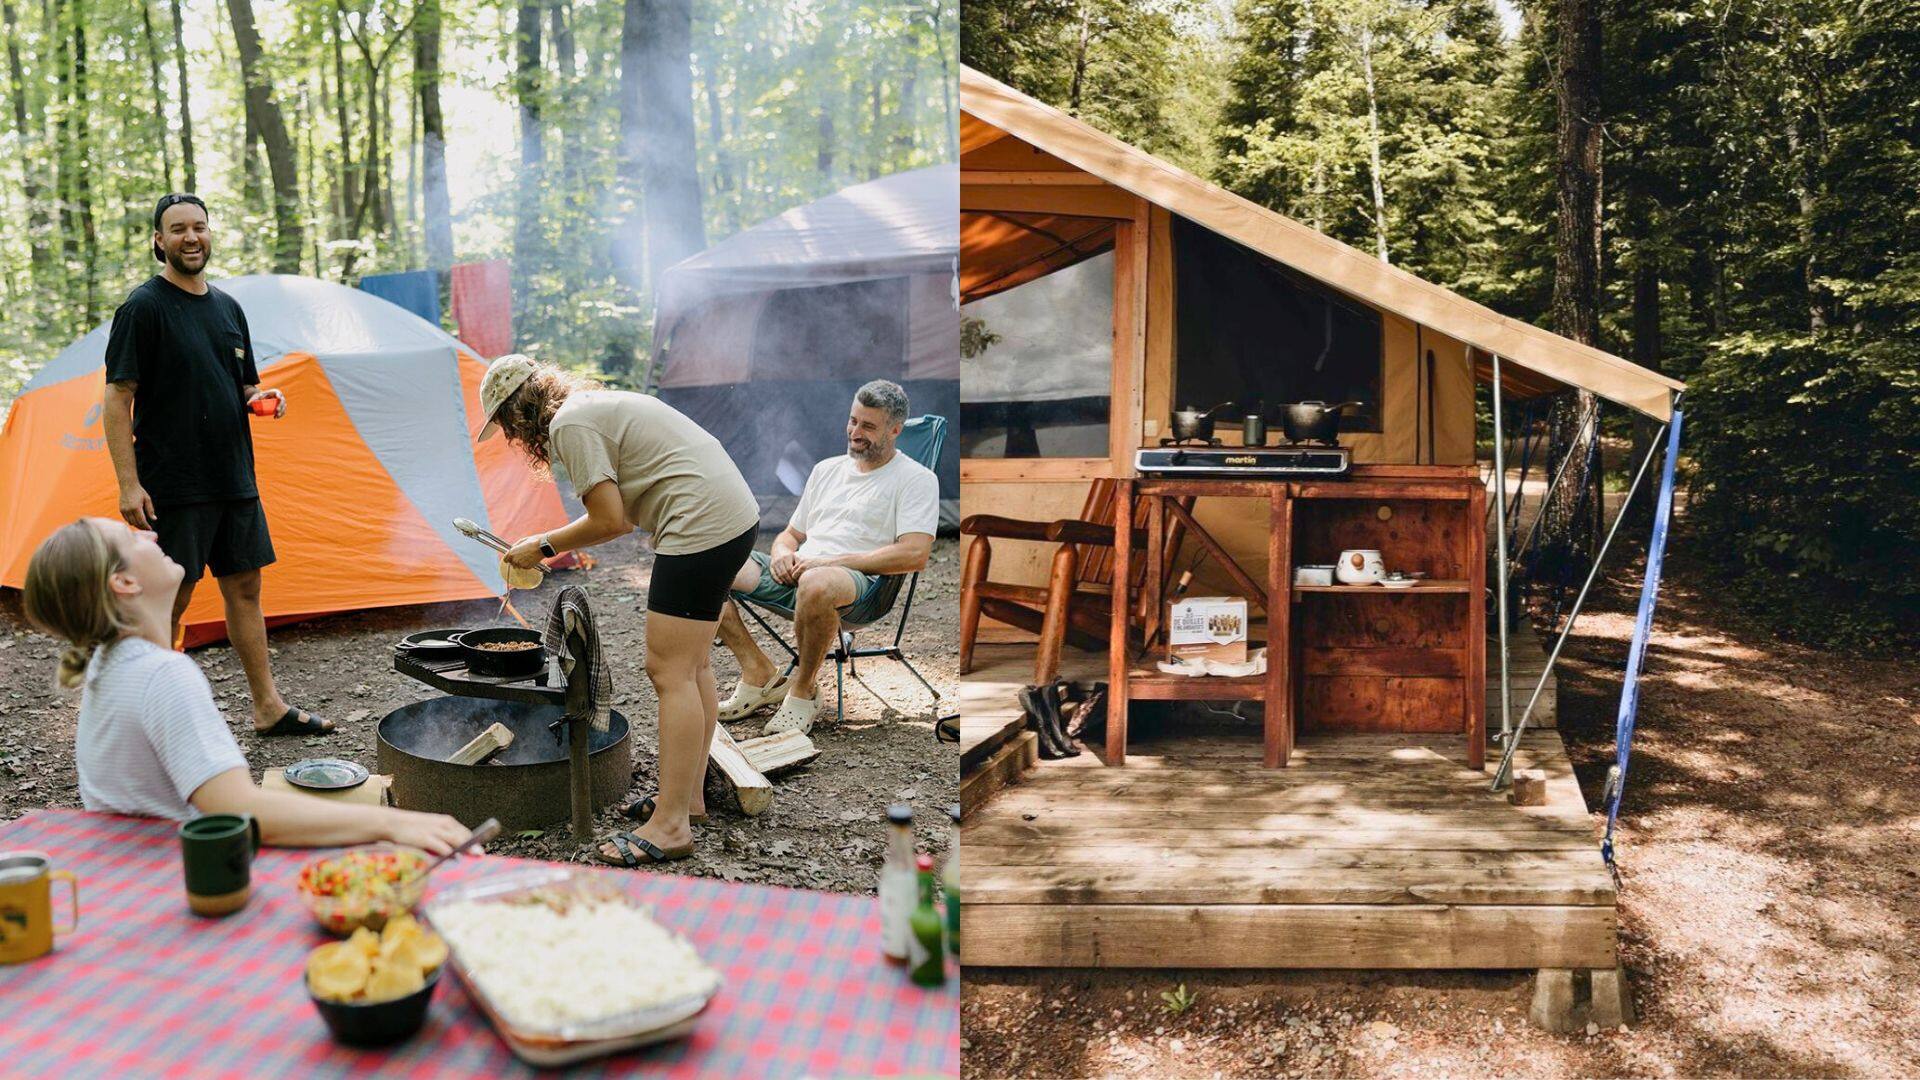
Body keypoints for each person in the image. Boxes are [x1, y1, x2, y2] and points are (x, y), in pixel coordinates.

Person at [21, 519, 471, 853]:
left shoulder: (109, 663)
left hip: (127, 864)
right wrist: (391, 824)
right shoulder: (161, 674)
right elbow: (237, 809)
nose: (151, 535)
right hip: (181, 873)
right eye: (131, 537)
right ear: (124, 582)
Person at [482, 355, 760, 867]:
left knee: (669, 671)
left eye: (505, 425)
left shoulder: (569, 424)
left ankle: (671, 826)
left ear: (518, 412)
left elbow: (610, 521)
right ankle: (689, 801)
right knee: (693, 666)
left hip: (700, 521)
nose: (510, 438)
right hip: (729, 515)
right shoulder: (589, 407)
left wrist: (541, 545)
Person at [100, 192, 327, 737]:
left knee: (245, 588)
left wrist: (260, 397)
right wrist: (129, 484)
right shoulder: (143, 308)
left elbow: (242, 384)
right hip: (174, 481)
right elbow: (117, 396)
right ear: (159, 240)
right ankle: (144, 717)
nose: (191, 237)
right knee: (169, 599)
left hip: (233, 475)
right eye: (178, 229)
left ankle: (267, 707)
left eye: (198, 227)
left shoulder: (228, 308)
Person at [715, 380, 938, 736]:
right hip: (800, 572)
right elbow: (791, 534)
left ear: (895, 430)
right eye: (853, 421)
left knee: (817, 583)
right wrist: (782, 554)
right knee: (708, 563)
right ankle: (757, 671)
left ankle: (803, 691)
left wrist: (827, 564)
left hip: (859, 587)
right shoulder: (826, 470)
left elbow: (915, 553)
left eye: (868, 426)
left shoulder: (916, 479)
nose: (855, 432)